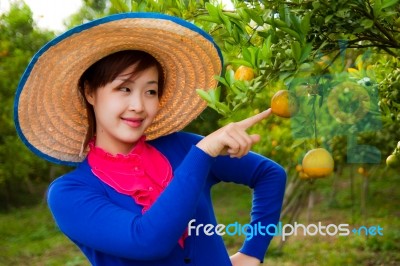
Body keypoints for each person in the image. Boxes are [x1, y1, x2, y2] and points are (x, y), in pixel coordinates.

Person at [14, 12, 286, 266]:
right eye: (124, 88)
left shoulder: (181, 148)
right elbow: (147, 242)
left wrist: (252, 252)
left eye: (151, 91)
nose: (139, 105)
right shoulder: (70, 193)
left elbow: (269, 174)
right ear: (90, 92)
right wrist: (202, 154)